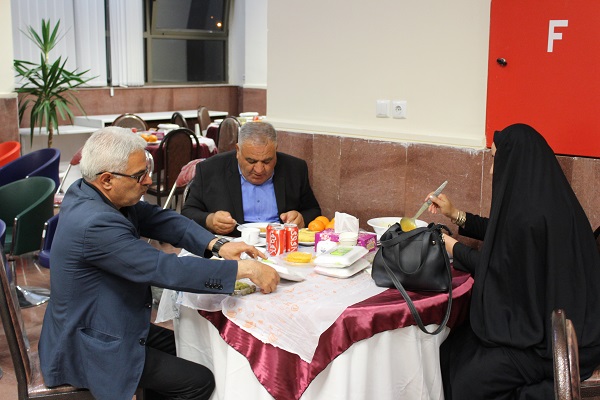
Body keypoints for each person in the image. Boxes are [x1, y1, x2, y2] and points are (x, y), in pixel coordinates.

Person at [38, 127, 280, 400]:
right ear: (107, 179)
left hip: (107, 322)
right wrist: (243, 269)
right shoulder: (95, 223)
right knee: (200, 381)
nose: (148, 180)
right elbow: (164, 269)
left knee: (190, 348)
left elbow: (159, 219)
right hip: (88, 344)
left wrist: (217, 244)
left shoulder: (91, 191)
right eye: (139, 175)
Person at [427, 123, 600, 399]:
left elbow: (499, 269)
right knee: (456, 348)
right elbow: (506, 235)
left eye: (496, 159)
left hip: (556, 346)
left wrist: (451, 246)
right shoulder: (546, 200)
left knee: (464, 375)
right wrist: (456, 214)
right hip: (555, 328)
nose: (493, 171)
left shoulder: (533, 215)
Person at [181, 121, 321, 235]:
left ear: (275, 150)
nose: (259, 170)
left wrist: (301, 219)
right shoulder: (210, 169)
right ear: (238, 151)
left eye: (267, 161)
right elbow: (188, 212)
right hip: (231, 245)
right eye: (251, 161)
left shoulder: (295, 168)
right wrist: (210, 220)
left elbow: (313, 210)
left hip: (280, 244)